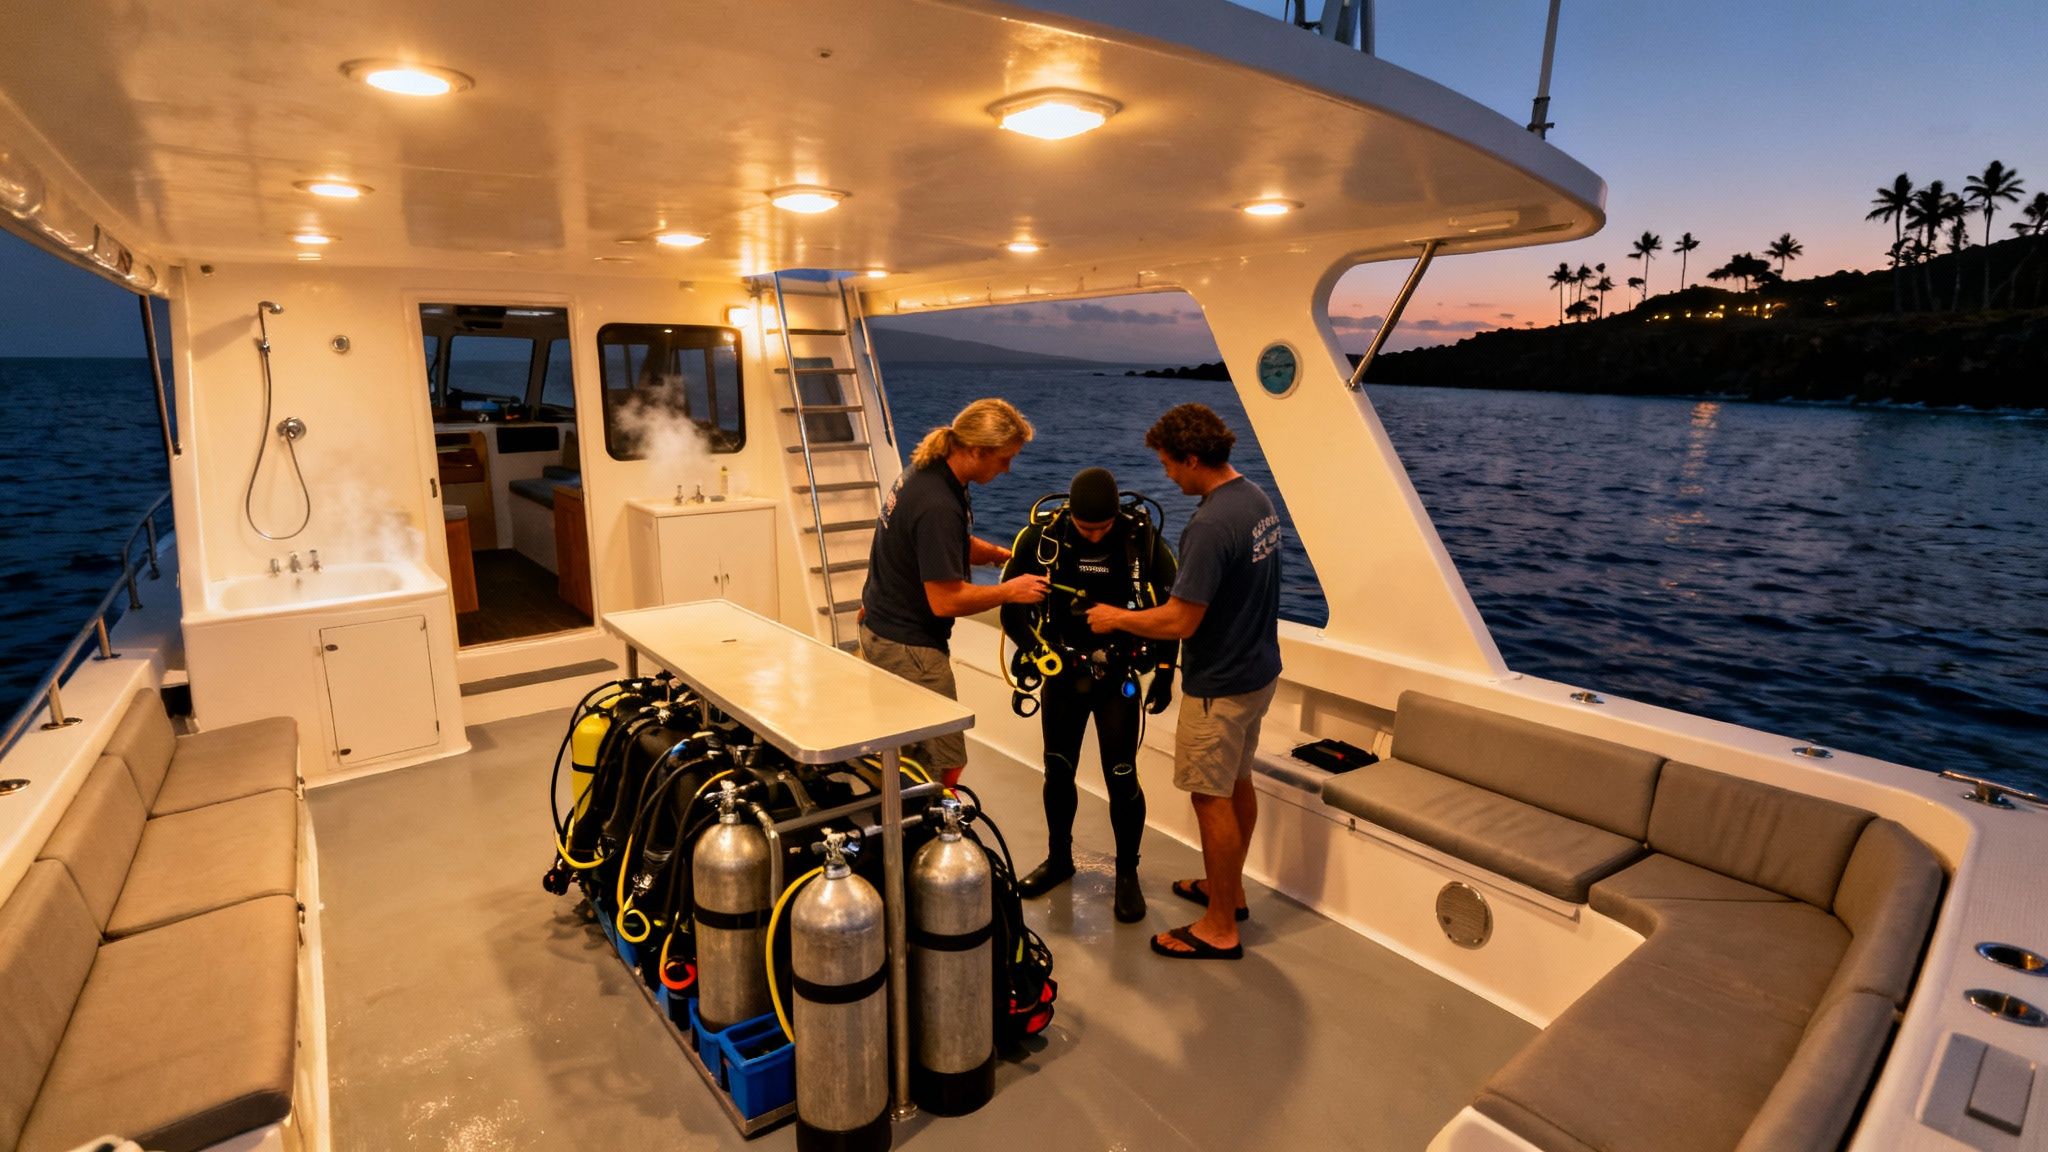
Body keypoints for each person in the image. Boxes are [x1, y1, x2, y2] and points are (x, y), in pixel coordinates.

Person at [1086, 403, 1281, 960]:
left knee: (1209, 797)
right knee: (1237, 783)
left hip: (1220, 684)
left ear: (1194, 459)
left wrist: (1114, 616)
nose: (1167, 475)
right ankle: (1232, 890)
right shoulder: (1255, 499)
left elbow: (1179, 620)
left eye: (1171, 464)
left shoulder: (1210, 524)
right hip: (1259, 672)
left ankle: (1220, 927)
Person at [1001, 466, 1178, 924]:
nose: (1095, 535)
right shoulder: (1041, 541)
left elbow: (1169, 613)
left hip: (1117, 675)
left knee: (1122, 775)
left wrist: (1163, 672)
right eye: (1086, 527)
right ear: (1071, 516)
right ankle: (1060, 860)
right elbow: (1011, 613)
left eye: (1102, 526)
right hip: (1062, 674)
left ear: (1117, 514)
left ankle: (1127, 874)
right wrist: (1041, 654)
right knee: (1058, 771)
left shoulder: (1141, 542)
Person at [859, 397, 1048, 788]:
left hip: (881, 628)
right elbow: (945, 601)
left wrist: (996, 554)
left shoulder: (928, 473)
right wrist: (1010, 592)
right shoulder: (938, 503)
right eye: (1004, 459)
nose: (1008, 469)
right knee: (944, 763)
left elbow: (942, 544)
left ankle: (902, 826)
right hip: (911, 649)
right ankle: (931, 838)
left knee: (902, 749)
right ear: (977, 451)